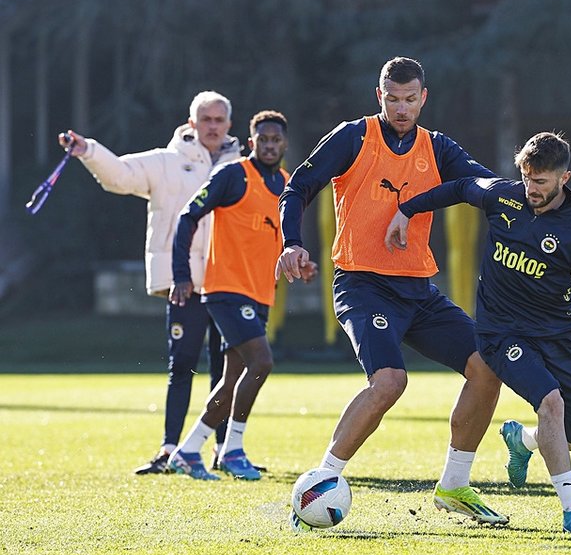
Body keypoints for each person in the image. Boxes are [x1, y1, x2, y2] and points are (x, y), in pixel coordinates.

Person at [277, 56, 507, 530]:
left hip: (419, 290)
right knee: (389, 382)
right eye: (393, 99)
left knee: (487, 366)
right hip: (363, 284)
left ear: (423, 98)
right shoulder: (353, 136)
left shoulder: (436, 146)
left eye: (410, 99)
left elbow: (479, 181)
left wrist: (520, 194)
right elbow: (298, 186)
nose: (402, 108)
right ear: (378, 97)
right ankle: (322, 481)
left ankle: (454, 486)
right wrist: (292, 243)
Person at [386, 131, 571, 533]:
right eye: (527, 178)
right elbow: (461, 187)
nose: (531, 189)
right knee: (551, 402)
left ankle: (525, 440)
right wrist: (407, 210)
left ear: (564, 178)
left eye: (541, 182)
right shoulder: (502, 195)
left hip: (557, 337)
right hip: (501, 334)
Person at [58, 91, 241, 474]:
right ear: (191, 123)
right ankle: (170, 449)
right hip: (184, 282)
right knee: (183, 365)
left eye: (218, 120)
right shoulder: (165, 161)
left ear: (229, 124)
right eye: (204, 119)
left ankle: (224, 450)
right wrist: (88, 150)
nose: (211, 126)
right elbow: (121, 176)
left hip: (229, 281)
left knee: (226, 369)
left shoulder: (243, 165)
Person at [168, 110, 317, 480]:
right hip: (225, 290)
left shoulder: (287, 186)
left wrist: (302, 264)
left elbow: (284, 242)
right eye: (262, 140)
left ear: (285, 144)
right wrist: (182, 275)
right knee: (262, 362)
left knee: (232, 377)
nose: (269, 146)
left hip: (260, 294)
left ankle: (188, 451)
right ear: (251, 142)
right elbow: (188, 217)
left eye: (276, 141)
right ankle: (232, 448)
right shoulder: (232, 175)